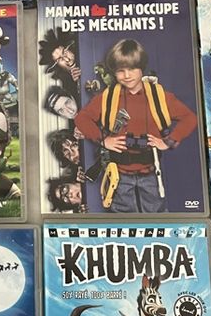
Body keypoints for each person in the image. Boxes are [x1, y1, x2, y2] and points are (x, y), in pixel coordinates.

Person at [74, 39, 197, 213]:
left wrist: (168, 141)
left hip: (151, 173)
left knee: (157, 215)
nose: (127, 75)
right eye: (120, 71)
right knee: (123, 217)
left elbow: (189, 118)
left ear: (142, 68)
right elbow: (82, 118)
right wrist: (103, 140)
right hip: (119, 175)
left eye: (132, 69)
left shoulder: (160, 97)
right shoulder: (108, 98)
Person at [38, 27, 81, 97]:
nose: (66, 59)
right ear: (58, 66)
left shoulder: (84, 50)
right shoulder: (67, 87)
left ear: (69, 48)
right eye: (60, 59)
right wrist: (78, 83)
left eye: (64, 52)